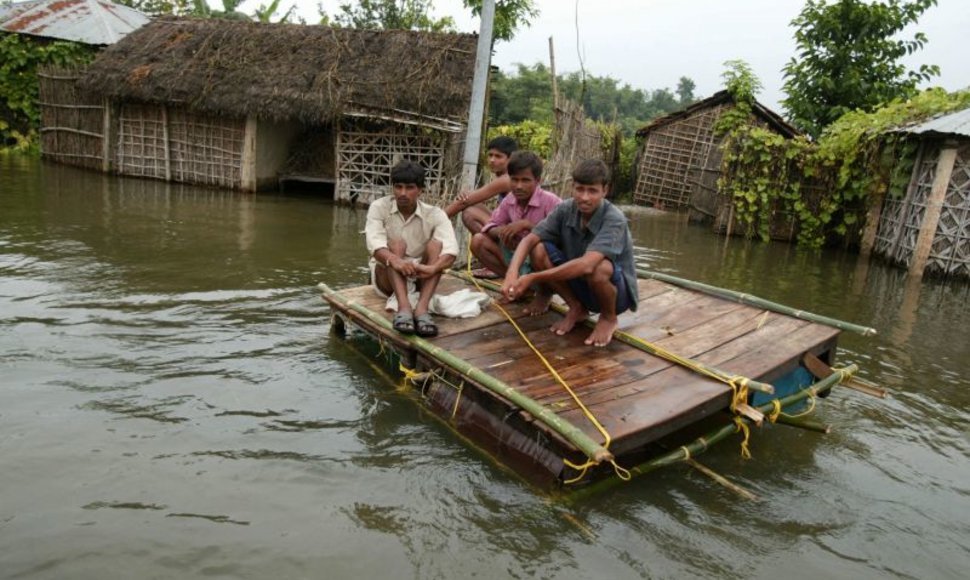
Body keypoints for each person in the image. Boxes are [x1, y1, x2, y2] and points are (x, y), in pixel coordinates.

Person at [501, 159, 639, 347]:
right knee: (538, 247)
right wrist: (512, 273)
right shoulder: (565, 208)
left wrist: (533, 277)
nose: (584, 197)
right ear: (572, 187)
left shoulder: (614, 219)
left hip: (614, 295)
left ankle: (608, 318)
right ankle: (576, 307)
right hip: (579, 284)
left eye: (592, 191)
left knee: (599, 268)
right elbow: (530, 239)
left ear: (605, 191)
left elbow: (587, 265)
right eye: (580, 189)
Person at [365, 159, 458, 337]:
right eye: (398, 187)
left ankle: (422, 309)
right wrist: (396, 261)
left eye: (409, 188)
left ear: (420, 190)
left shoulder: (434, 214)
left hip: (420, 276)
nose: (403, 193)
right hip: (386, 277)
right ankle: (404, 307)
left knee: (436, 245)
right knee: (396, 243)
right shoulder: (379, 207)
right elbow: (375, 245)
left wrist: (433, 267)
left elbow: (451, 250)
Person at [470, 151, 560, 292]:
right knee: (478, 241)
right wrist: (505, 232)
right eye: (514, 179)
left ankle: (545, 293)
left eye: (525, 180)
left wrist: (527, 225)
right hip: (516, 257)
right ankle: (517, 286)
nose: (518, 186)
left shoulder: (550, 201)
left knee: (538, 249)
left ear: (538, 181)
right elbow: (491, 225)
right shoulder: (510, 200)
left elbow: (562, 236)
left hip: (542, 261)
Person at [444, 136, 517, 235]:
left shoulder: (506, 179)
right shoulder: (506, 177)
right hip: (507, 227)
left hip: (512, 232)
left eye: (498, 156)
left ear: (511, 158)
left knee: (469, 213)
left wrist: (436, 221)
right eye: (490, 155)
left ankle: (492, 245)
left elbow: (464, 202)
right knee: (473, 204)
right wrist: (467, 197)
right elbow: (469, 199)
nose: (492, 160)